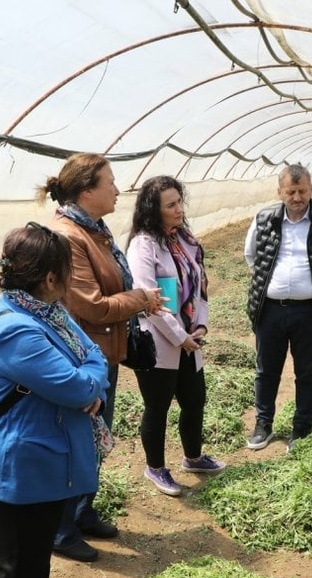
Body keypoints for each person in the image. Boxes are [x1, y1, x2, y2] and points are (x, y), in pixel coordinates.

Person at [0, 223, 110, 578]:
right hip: (18, 471)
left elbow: (95, 357)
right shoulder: (16, 330)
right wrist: (89, 383)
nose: (71, 278)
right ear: (50, 278)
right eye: (68, 271)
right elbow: (78, 384)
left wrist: (89, 379)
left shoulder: (49, 313)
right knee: (17, 571)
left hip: (44, 462)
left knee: (35, 553)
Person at [39, 153, 165, 562]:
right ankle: (60, 530)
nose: (117, 189)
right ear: (86, 190)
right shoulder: (68, 237)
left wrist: (135, 301)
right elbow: (91, 306)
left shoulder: (94, 230)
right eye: (110, 182)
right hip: (80, 356)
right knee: (77, 442)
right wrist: (140, 299)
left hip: (100, 352)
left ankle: (81, 512)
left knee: (94, 439)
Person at [125, 176, 226, 496]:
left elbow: (200, 287)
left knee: (195, 400)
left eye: (180, 201)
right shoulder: (144, 245)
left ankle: (193, 457)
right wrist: (180, 337)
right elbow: (149, 301)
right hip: (159, 342)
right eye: (171, 205)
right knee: (157, 406)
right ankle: (155, 468)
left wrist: (201, 325)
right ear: (153, 210)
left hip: (190, 339)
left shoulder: (185, 240)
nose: (179, 209)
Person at [243, 163, 312, 451]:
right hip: (270, 310)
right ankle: (263, 424)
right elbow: (252, 256)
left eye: (302, 191)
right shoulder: (264, 219)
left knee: (308, 372)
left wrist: (310, 285)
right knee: (266, 370)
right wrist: (279, 284)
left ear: (311, 190)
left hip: (310, 312)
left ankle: (302, 428)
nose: (297, 198)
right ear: (280, 192)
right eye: (291, 192)